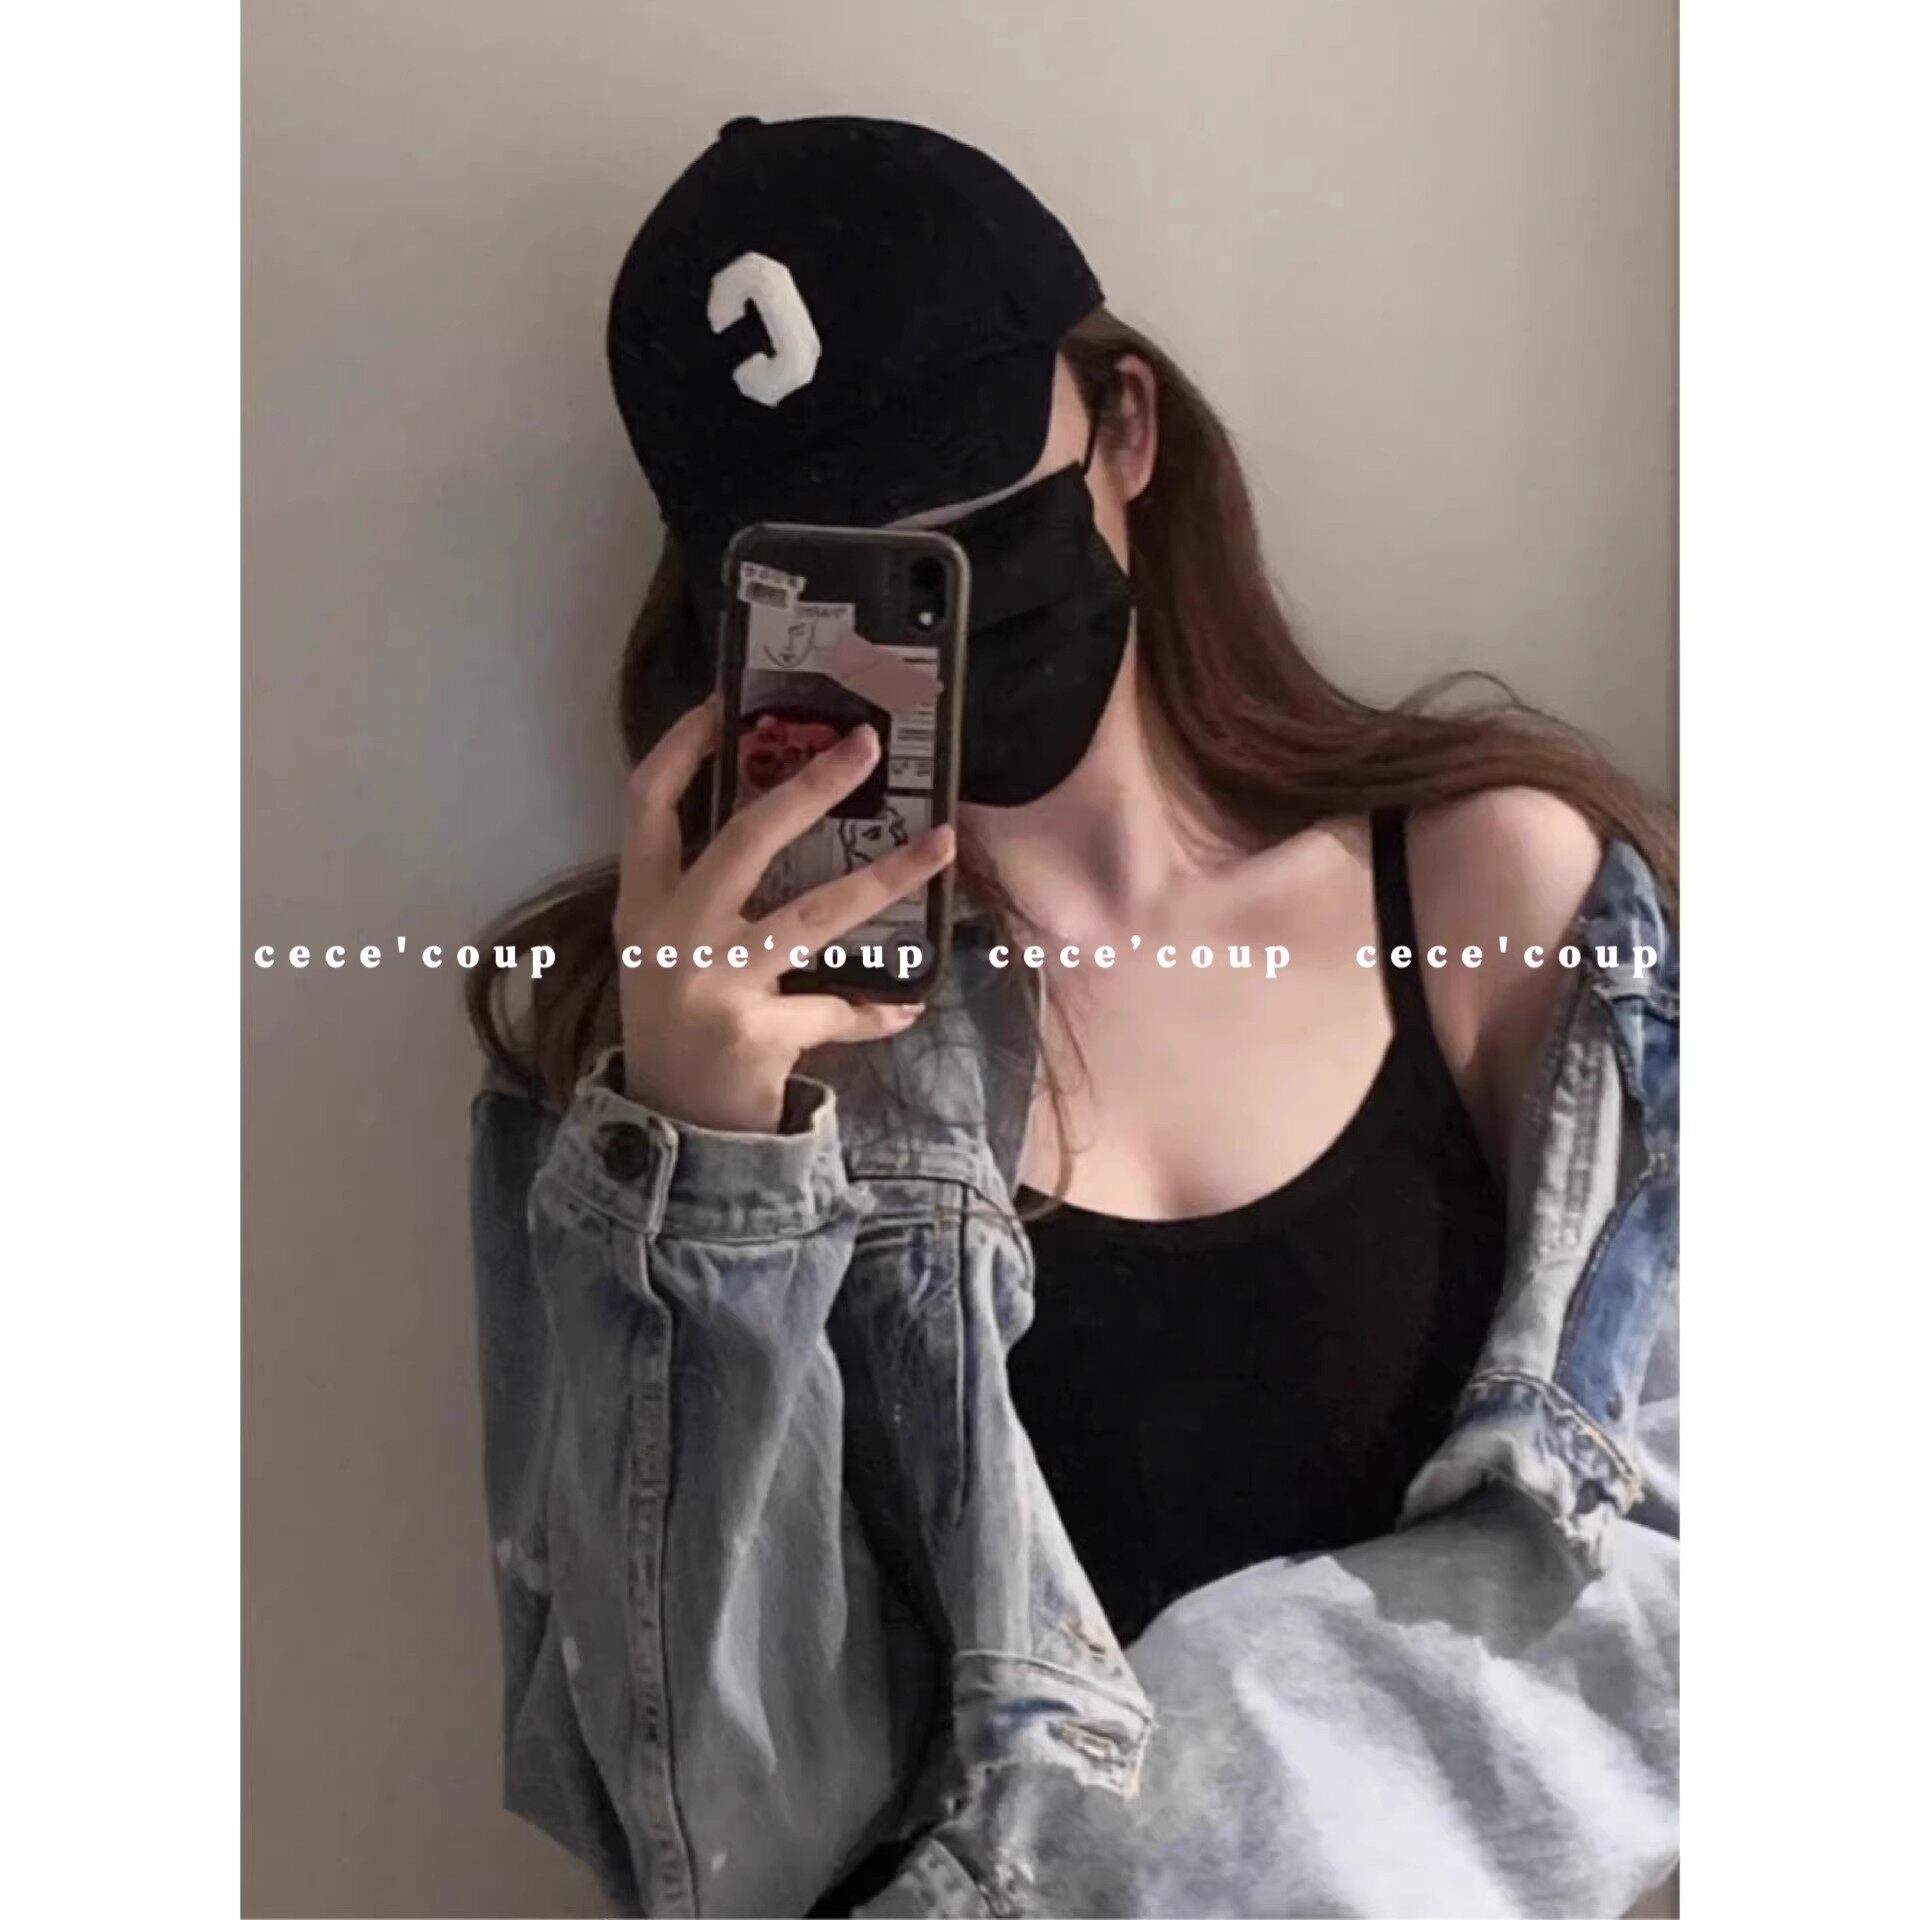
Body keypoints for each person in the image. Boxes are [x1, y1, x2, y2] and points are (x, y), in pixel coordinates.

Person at [466, 114, 1679, 1919]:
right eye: (849, 572)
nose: (939, 595)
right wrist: (706, 1175)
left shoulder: (1491, 889)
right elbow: (717, 1850)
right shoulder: (664, 1066)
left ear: (1126, 430)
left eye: (973, 513)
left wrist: (1183, 1781)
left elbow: (1672, 1584)